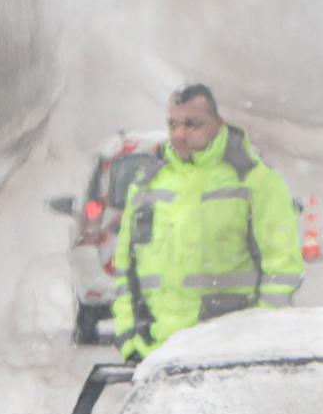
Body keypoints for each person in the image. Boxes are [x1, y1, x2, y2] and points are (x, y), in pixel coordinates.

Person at [111, 83, 303, 362]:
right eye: (173, 124)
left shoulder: (256, 181)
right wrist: (128, 338)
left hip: (225, 363)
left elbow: (282, 271)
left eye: (192, 124)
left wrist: (259, 347)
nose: (179, 134)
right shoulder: (146, 184)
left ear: (218, 123)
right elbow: (125, 270)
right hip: (156, 358)